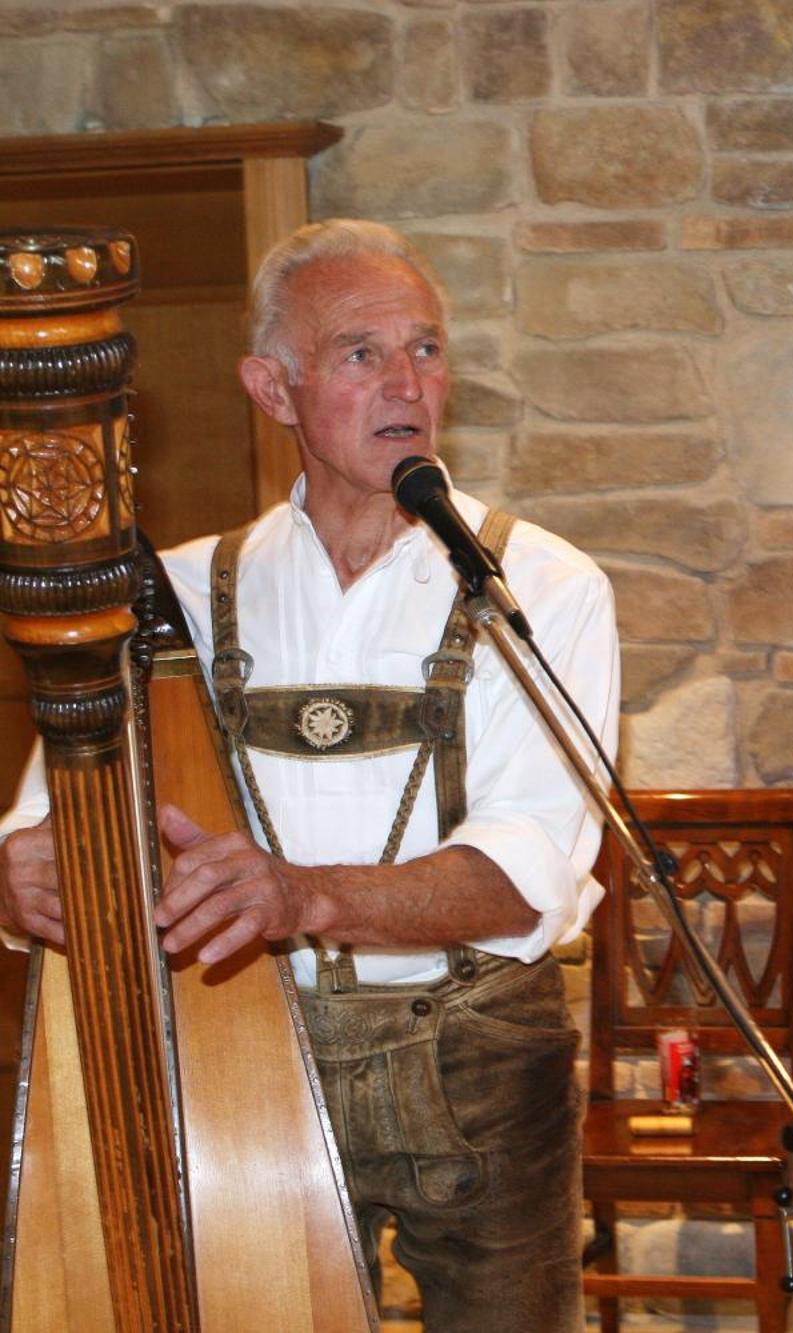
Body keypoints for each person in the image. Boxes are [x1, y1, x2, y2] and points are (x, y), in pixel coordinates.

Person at [0, 219, 616, 1333]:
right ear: (271, 388)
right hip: (245, 1052)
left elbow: (527, 870)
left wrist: (303, 895)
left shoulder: (542, 583)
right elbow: (40, 828)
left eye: (425, 349)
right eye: (359, 353)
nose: (406, 383)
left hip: (478, 1058)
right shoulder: (174, 596)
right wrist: (22, 879)